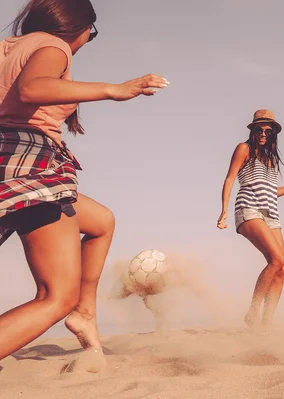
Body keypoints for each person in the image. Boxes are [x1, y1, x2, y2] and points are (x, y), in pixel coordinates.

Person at [0, 0, 169, 365]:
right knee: (55, 296)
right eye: (90, 35)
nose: (85, 42)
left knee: (101, 221)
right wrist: (116, 89)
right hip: (27, 161)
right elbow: (33, 89)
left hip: (10, 159)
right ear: (79, 27)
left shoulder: (8, 48)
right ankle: (72, 308)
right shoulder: (53, 46)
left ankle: (85, 314)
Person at [217, 109, 284, 330]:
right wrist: (223, 211)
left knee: (282, 268)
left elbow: (272, 191)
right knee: (276, 259)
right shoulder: (244, 149)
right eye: (259, 130)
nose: (263, 134)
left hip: (271, 213)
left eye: (268, 131)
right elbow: (230, 178)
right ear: (252, 130)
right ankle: (252, 312)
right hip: (249, 209)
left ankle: (266, 323)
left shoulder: (269, 159)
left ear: (273, 134)